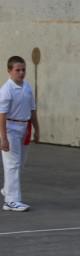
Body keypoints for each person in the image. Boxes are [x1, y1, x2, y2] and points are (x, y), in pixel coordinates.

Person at [0, 56, 40, 212]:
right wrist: (3, 138)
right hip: (10, 129)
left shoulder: (27, 87)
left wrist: (37, 129)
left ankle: (7, 189)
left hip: (24, 127)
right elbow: (1, 115)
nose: (21, 73)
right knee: (12, 164)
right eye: (18, 70)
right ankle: (11, 201)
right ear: (9, 71)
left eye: (23, 70)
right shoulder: (6, 90)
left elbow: (32, 110)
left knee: (20, 164)